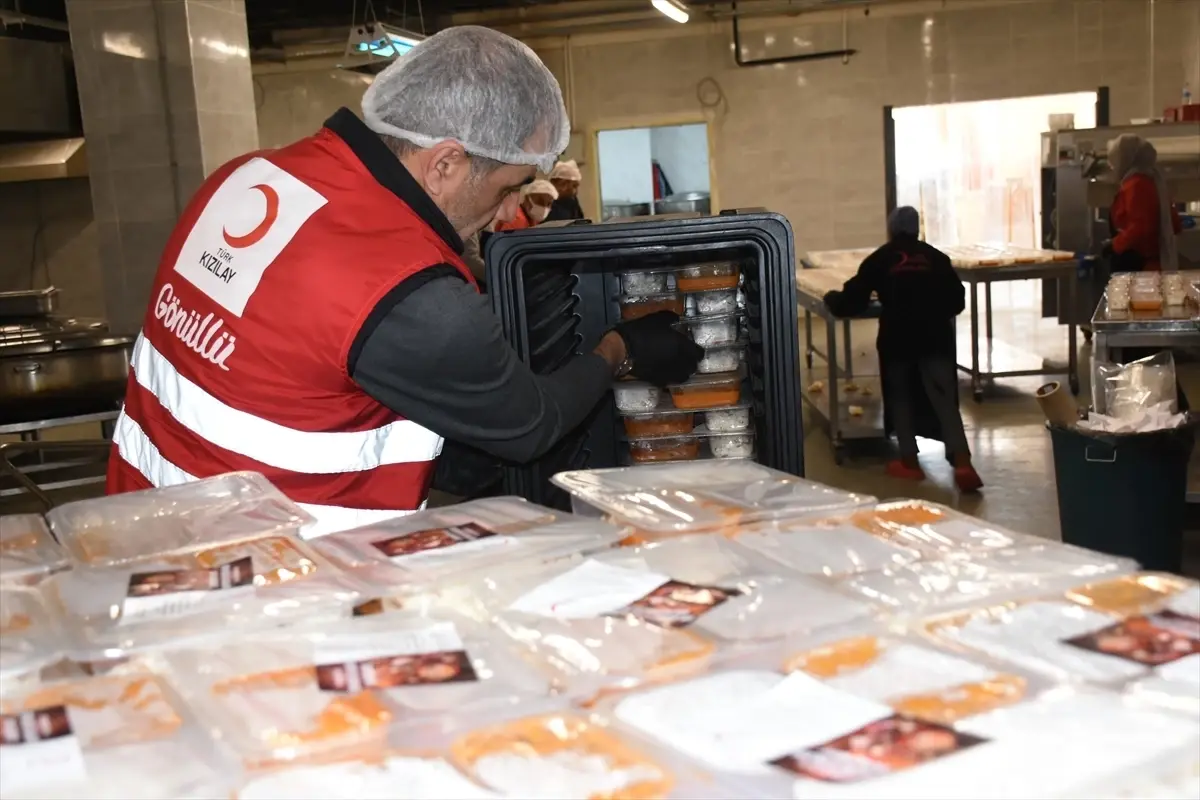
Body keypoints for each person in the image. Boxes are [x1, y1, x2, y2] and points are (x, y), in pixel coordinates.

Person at [105, 26, 703, 537]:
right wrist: (619, 348)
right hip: (273, 575)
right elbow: (530, 426)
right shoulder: (407, 290)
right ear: (444, 163)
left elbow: (287, 342)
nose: (506, 214)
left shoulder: (250, 178)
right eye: (507, 189)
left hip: (147, 524)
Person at [824, 207, 983, 493]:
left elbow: (854, 299)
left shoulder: (881, 258)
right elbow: (957, 300)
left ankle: (909, 462)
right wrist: (931, 310)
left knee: (901, 396)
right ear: (917, 228)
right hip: (935, 337)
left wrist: (832, 299)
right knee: (944, 398)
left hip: (898, 337)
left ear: (891, 229)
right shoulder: (936, 258)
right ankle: (963, 463)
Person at [1103, 134, 1182, 273]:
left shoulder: (1135, 184)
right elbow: (1174, 223)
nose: (1112, 166)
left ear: (1125, 159)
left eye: (1114, 160)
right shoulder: (1153, 181)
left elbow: (1140, 228)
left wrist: (1114, 244)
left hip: (1142, 267)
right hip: (1155, 264)